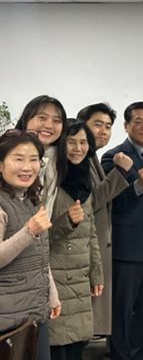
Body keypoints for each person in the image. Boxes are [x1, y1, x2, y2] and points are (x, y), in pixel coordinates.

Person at [101, 102, 143, 360]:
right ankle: (120, 356)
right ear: (126, 126)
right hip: (127, 246)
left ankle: (137, 354)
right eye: (138, 121)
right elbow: (109, 201)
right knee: (122, 308)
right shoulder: (112, 157)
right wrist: (138, 185)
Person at [0, 130, 61, 360]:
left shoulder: (31, 199)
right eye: (18, 159)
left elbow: (40, 256)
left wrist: (51, 294)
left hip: (34, 313)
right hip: (7, 321)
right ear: (0, 165)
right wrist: (29, 231)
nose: (27, 167)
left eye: (34, 159)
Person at [77, 103, 133, 342]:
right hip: (81, 249)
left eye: (108, 126)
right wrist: (120, 172)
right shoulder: (79, 159)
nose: (103, 131)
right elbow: (92, 201)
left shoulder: (92, 157)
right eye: (97, 124)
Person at [48, 120, 104, 360]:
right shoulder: (50, 180)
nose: (78, 148)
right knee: (57, 346)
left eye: (83, 142)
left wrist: (96, 272)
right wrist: (66, 221)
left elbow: (91, 231)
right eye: (71, 142)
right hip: (56, 275)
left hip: (80, 277)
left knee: (77, 345)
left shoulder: (84, 179)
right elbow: (37, 237)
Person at [15, 95, 67, 217]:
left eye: (56, 121)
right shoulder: (6, 154)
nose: (49, 126)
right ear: (26, 119)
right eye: (42, 118)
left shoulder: (57, 160)